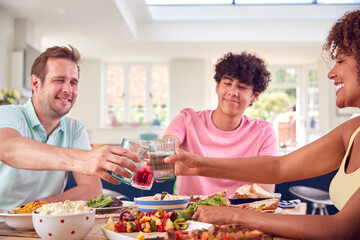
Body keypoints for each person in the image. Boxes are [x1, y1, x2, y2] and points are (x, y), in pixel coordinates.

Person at [164, 10, 360, 239]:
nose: (331, 73)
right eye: (227, 83)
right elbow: (277, 168)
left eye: (340, 61)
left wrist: (232, 215)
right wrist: (199, 165)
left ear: (254, 95)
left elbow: (343, 229)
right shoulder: (352, 129)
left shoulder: (263, 129)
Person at [0, 45, 139, 211]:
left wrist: (35, 208)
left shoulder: (75, 128)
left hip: (46, 224)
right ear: (36, 83)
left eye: (73, 82)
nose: (68, 90)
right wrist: (81, 159)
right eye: (59, 80)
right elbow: (8, 150)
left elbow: (92, 190)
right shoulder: (7, 114)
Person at [163, 52, 278, 197]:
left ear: (254, 96)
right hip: (190, 215)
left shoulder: (263, 132)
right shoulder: (187, 120)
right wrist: (160, 152)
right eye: (227, 83)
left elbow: (265, 191)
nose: (232, 92)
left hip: (240, 215)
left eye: (242, 87)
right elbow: (165, 146)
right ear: (217, 87)